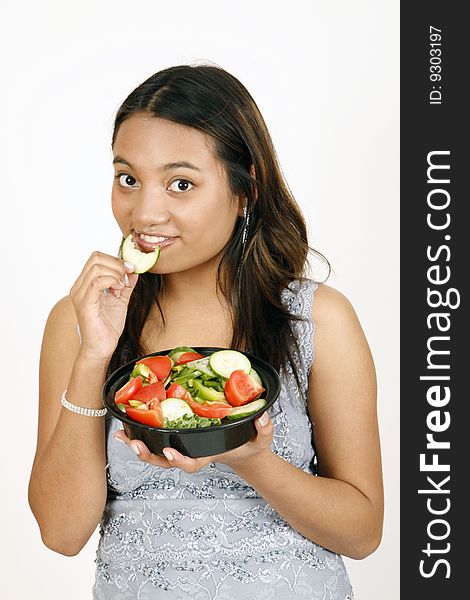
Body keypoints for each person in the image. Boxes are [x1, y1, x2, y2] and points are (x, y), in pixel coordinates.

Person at [28, 64, 383, 600]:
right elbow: (61, 533)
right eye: (128, 178)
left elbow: (362, 534)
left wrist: (253, 459)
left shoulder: (317, 318)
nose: (144, 212)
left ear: (246, 190)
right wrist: (91, 358)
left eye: (181, 184)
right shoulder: (78, 321)